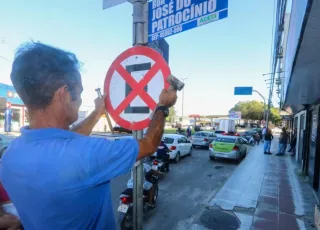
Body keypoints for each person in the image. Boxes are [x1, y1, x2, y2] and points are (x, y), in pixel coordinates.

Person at [0, 42, 177, 230]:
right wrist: (163, 106)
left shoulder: (10, 156)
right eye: (80, 92)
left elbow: (61, 142)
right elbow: (149, 144)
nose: (81, 99)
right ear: (64, 94)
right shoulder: (88, 154)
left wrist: (96, 113)